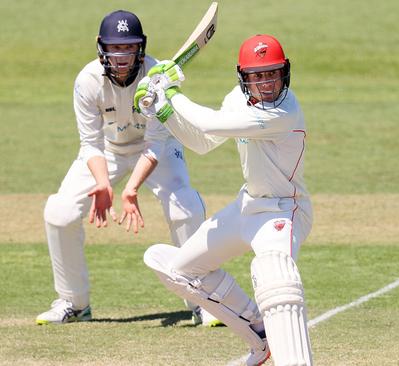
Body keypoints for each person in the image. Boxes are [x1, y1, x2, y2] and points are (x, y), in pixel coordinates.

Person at [135, 34, 314, 366]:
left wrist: (169, 92)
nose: (266, 83)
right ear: (244, 77)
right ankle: (259, 335)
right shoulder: (239, 99)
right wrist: (162, 109)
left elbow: (208, 121)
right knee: (180, 271)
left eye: (272, 73)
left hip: (283, 213)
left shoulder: (284, 113)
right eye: (257, 76)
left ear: (284, 73)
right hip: (247, 207)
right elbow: (202, 141)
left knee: (275, 275)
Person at [37, 9, 221, 327]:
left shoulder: (157, 77)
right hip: (107, 151)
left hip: (157, 149)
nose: (122, 56)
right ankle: (74, 302)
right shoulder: (87, 81)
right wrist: (103, 184)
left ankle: (202, 301)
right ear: (101, 46)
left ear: (141, 47)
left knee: (185, 208)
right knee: (59, 212)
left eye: (129, 47)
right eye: (115, 47)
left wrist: (131, 189)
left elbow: (155, 145)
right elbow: (90, 144)